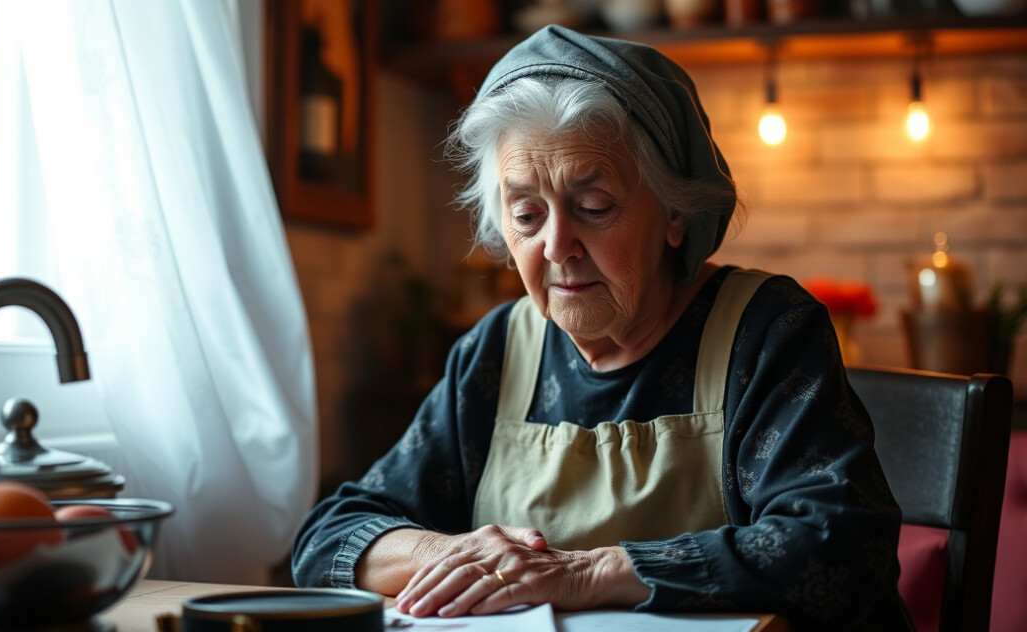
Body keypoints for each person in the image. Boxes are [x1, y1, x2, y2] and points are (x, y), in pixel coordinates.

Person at [291, 24, 912, 631]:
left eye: (593, 207)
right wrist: (447, 553)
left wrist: (585, 572)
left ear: (674, 212)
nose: (556, 245)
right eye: (527, 214)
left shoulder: (766, 332)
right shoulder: (497, 352)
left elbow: (839, 545)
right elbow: (327, 539)